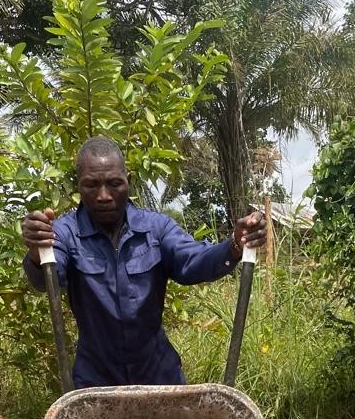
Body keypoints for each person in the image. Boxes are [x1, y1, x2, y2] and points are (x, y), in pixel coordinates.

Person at [21, 136, 267, 388]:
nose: (104, 196)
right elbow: (46, 279)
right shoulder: (64, 233)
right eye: (91, 185)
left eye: (114, 184)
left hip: (159, 379)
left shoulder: (156, 228)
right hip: (96, 384)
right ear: (79, 186)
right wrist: (37, 251)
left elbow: (194, 260)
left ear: (128, 181)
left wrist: (235, 245)